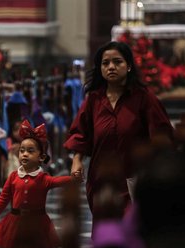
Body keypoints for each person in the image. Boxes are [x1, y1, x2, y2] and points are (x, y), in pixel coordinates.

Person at [64, 41, 173, 214]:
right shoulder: (94, 100)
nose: (111, 67)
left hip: (134, 176)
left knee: (131, 229)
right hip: (101, 177)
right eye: (105, 63)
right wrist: (77, 161)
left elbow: (161, 134)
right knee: (104, 229)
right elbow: (81, 132)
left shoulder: (144, 98)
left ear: (128, 66)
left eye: (117, 62)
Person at [0, 119, 81, 248]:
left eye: (30, 151)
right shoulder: (14, 176)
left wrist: (73, 178)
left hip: (36, 222)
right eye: (22, 150)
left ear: (41, 157)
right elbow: (3, 198)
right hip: (16, 221)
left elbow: (58, 180)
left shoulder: (43, 178)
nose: (25, 154)